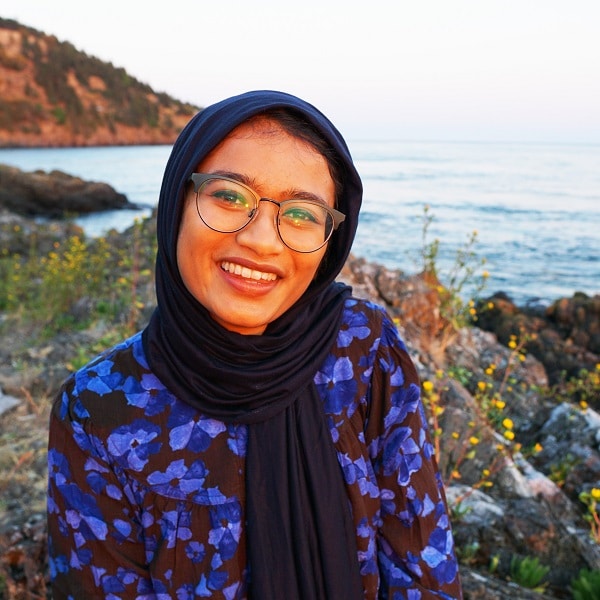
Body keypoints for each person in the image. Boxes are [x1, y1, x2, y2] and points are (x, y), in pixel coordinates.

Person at [47, 90, 462, 599]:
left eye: (303, 214)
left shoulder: (363, 349)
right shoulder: (98, 408)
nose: (263, 240)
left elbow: (422, 564)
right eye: (228, 196)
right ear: (177, 200)